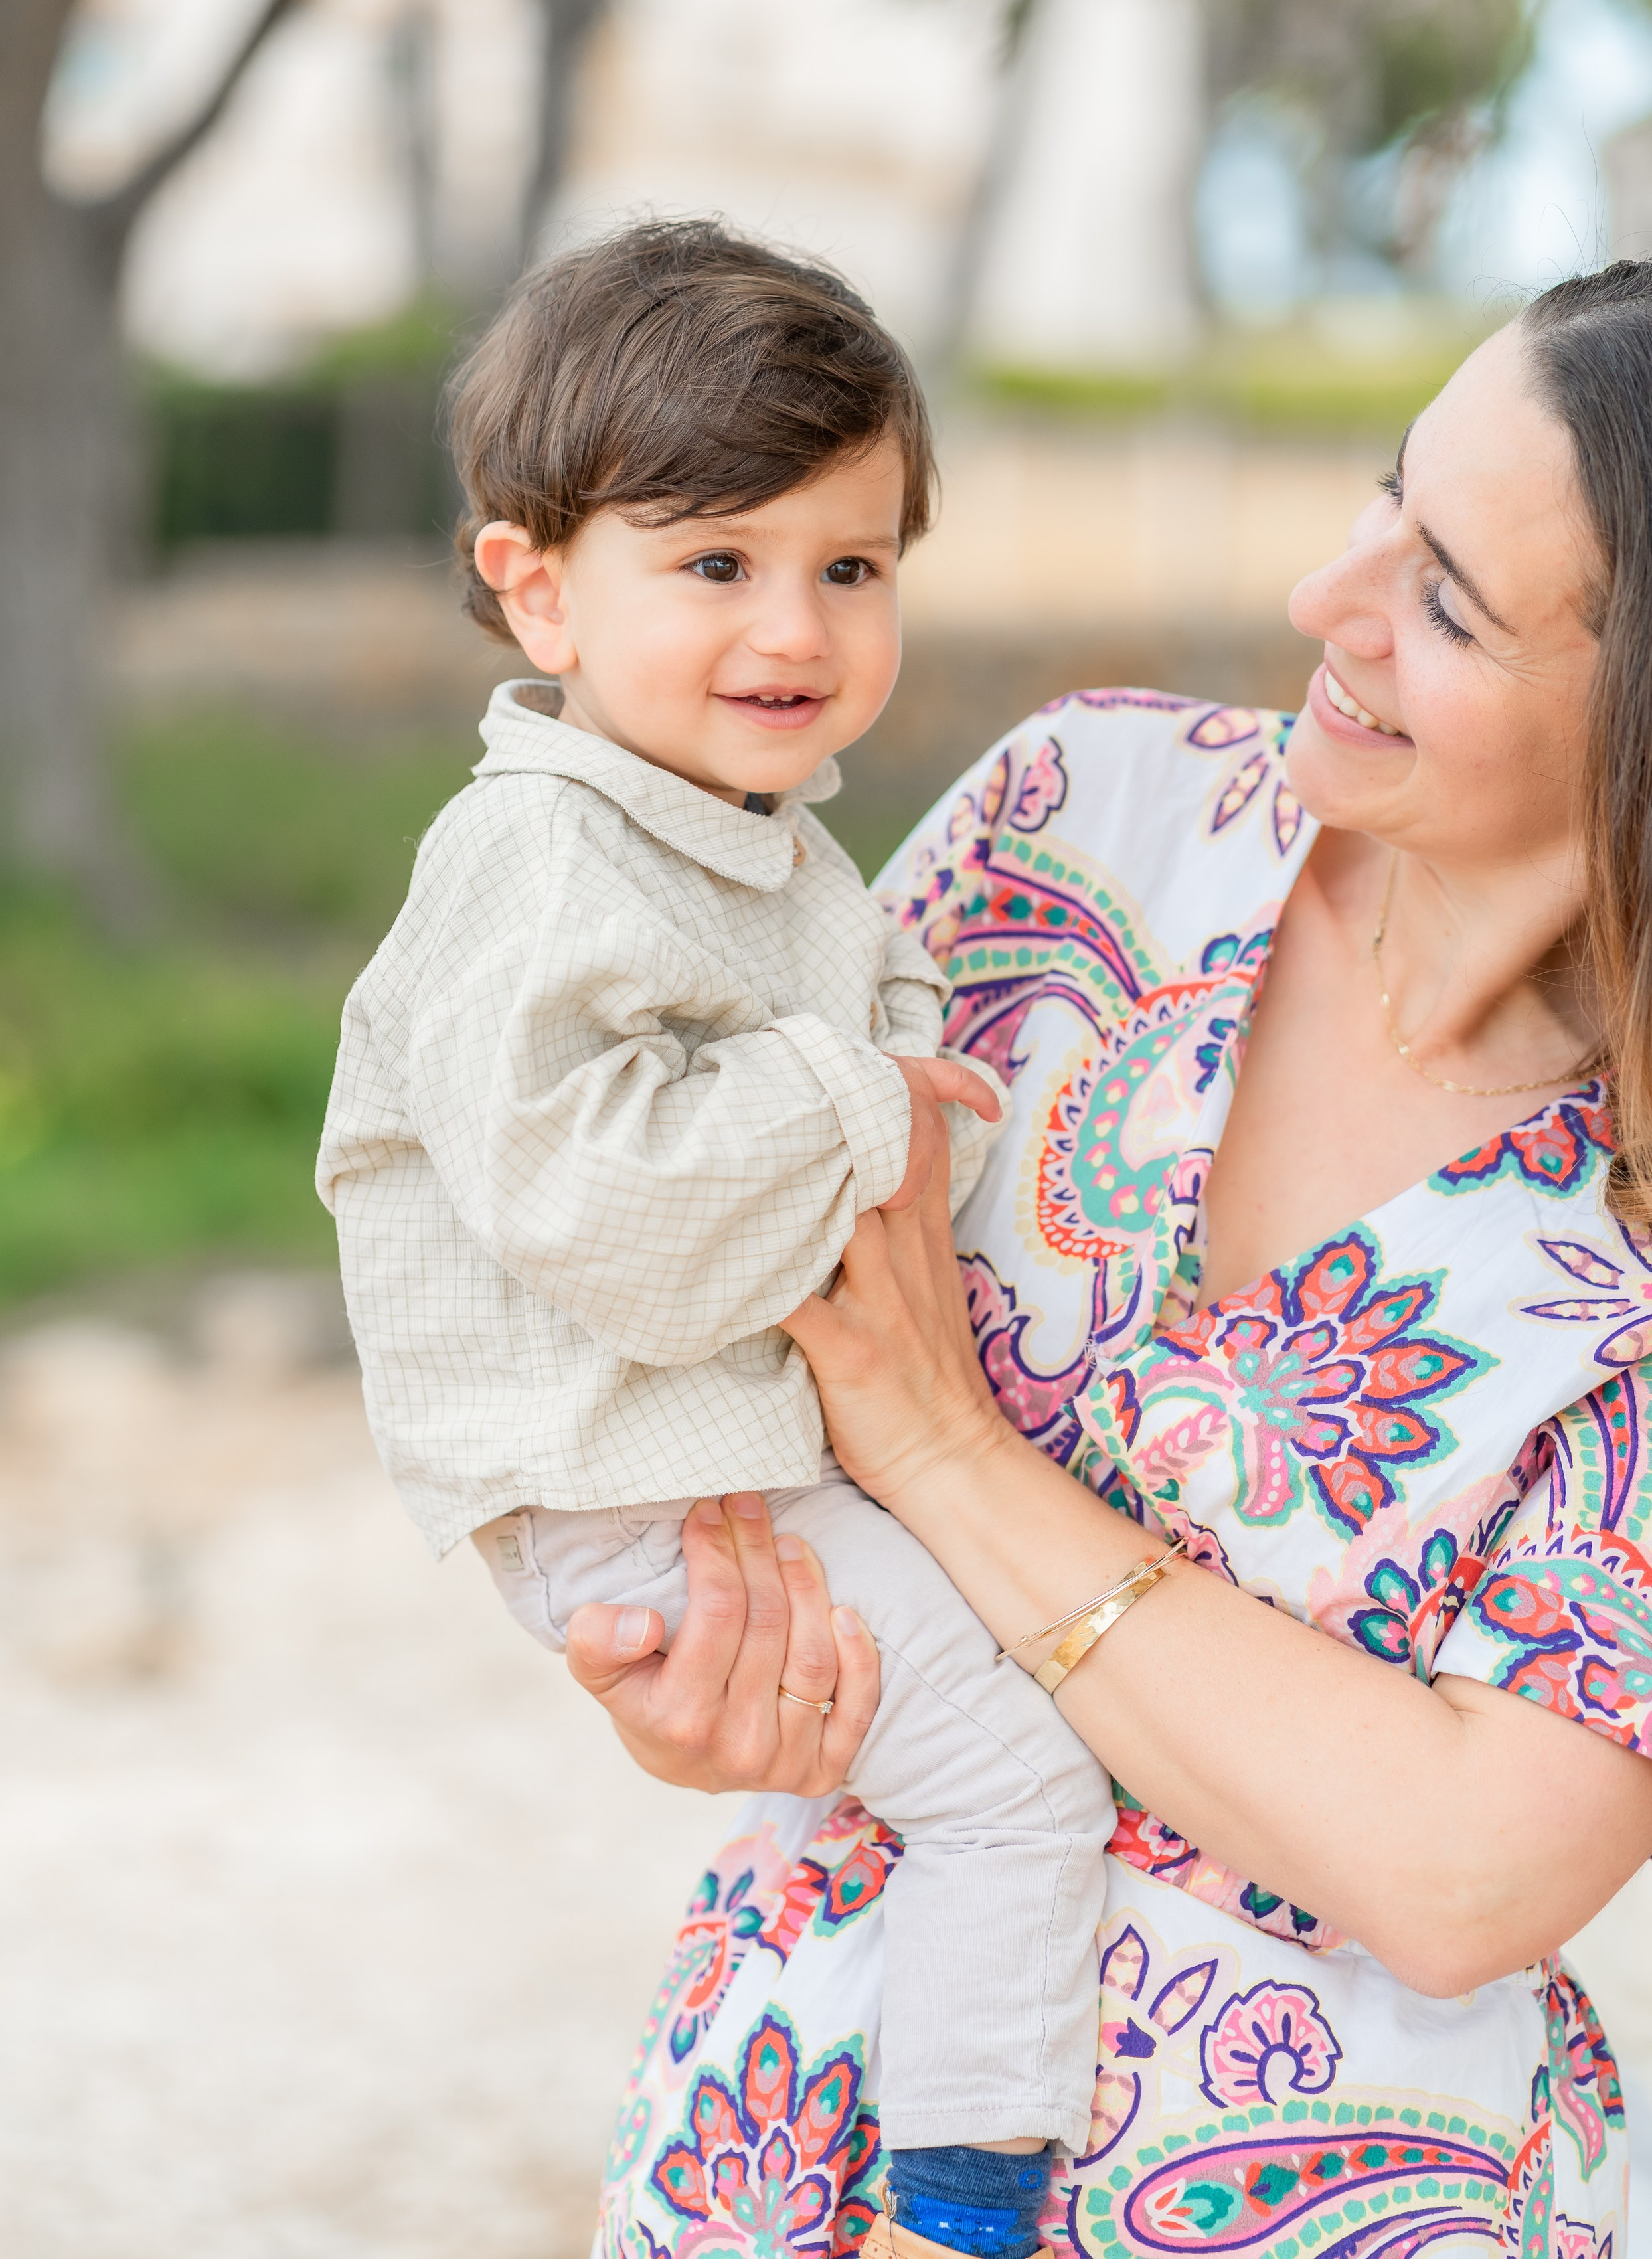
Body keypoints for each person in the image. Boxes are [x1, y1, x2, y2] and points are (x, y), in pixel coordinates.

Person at [568, 261, 1652, 2259]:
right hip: (799, 2106)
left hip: (1325, 2200)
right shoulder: (1082, 817)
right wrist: (707, 1674)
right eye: (1384, 499)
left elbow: (1466, 1873)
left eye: (1452, 605)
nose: (1333, 604)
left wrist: (953, 1454)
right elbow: (720, 1314)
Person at [317, 218, 1145, 2254]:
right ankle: (967, 2199)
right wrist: (871, 1091)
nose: (797, 626)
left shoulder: (726, 829)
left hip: (687, 1448)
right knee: (1018, 1776)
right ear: (533, 585)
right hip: (631, 1480)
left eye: (849, 566)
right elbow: (605, 1207)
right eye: (717, 564)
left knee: (946, 1757)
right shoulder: (539, 856)